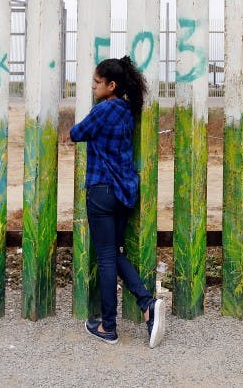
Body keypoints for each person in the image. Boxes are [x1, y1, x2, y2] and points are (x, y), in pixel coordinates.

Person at [69, 56, 164, 348]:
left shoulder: (103, 109)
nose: (93, 86)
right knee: (114, 253)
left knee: (107, 258)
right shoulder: (126, 110)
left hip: (100, 191)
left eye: (98, 82)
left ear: (112, 85)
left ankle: (108, 327)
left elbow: (75, 133)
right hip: (123, 193)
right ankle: (147, 304)